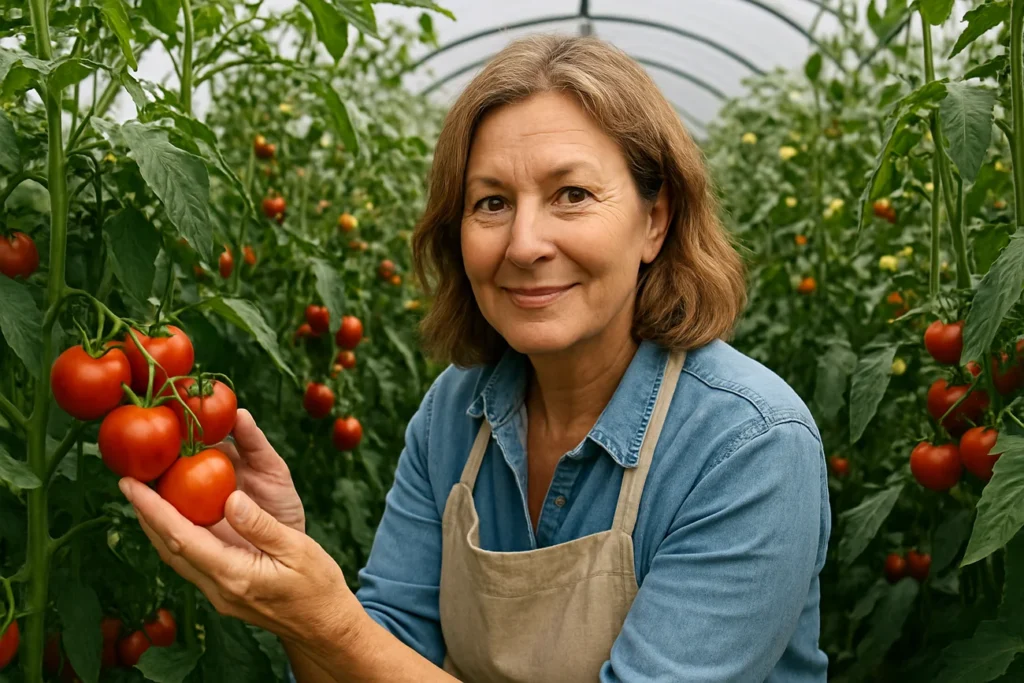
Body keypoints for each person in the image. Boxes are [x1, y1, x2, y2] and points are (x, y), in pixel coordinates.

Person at [119, 34, 831, 682]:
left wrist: (326, 617)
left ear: (655, 219)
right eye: (491, 202)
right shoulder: (457, 412)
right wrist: (289, 579)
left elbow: (356, 644)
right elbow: (379, 650)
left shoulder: (749, 447)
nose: (524, 243)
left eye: (571, 195)